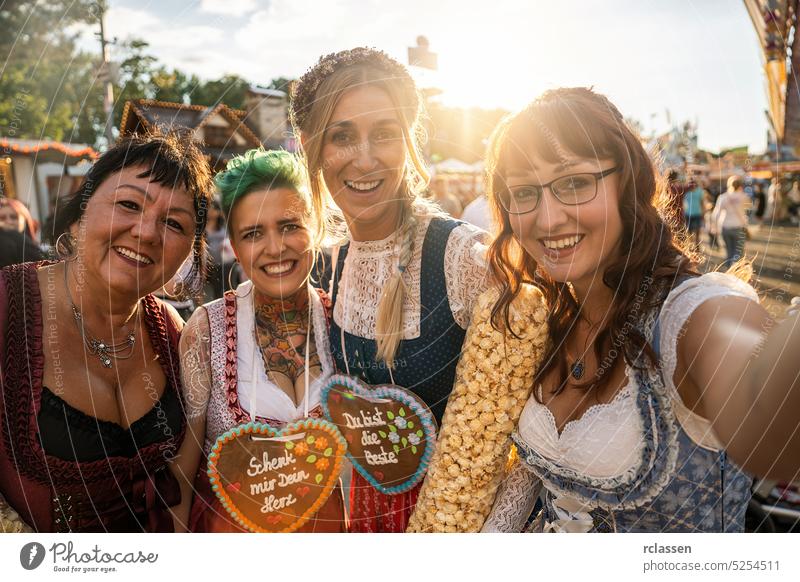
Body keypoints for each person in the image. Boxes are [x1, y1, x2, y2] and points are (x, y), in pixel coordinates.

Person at [472, 87, 798, 533]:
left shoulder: (691, 314)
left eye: (574, 182)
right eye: (524, 192)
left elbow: (762, 398)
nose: (547, 220)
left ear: (626, 183)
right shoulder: (545, 316)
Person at [290, 47, 489, 532]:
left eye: (383, 134)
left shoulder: (462, 257)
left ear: (408, 142)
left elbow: (525, 440)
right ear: (314, 148)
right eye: (342, 136)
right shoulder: (327, 267)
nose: (364, 157)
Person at [0, 131, 213, 532]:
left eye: (174, 223)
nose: (147, 233)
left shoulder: (175, 336)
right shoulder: (7, 310)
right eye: (129, 204)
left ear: (190, 252)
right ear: (79, 218)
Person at [172, 149, 347, 533]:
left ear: (315, 228)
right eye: (253, 233)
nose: (275, 247)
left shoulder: (347, 324)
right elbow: (183, 471)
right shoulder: (207, 332)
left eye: (289, 225)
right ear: (234, 245)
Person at [713, 176, 751, 268]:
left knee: (729, 252)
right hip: (739, 227)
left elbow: (715, 214)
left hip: (725, 227)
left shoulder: (723, 197)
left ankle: (729, 269)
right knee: (738, 253)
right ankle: (736, 272)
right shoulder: (744, 196)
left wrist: (714, 227)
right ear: (740, 185)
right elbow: (748, 210)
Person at [682, 179, 704, 248]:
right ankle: (694, 246)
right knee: (693, 232)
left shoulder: (687, 191)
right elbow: (702, 203)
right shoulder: (699, 191)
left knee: (692, 232)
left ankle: (694, 246)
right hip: (693, 213)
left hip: (691, 213)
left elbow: (702, 202)